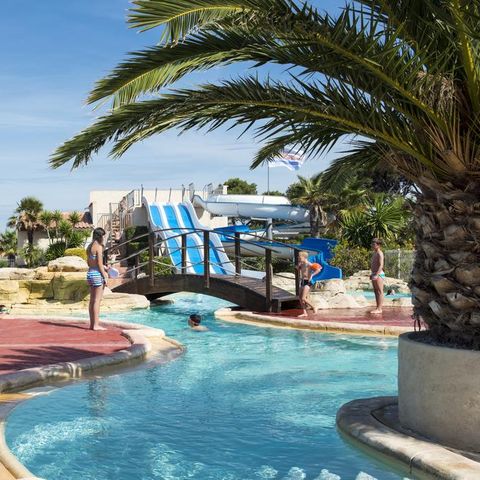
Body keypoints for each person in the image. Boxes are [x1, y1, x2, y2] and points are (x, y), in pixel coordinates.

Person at [86, 227, 109, 330]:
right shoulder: (99, 247)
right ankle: (96, 325)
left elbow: (90, 263)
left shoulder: (90, 247)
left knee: (92, 300)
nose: (104, 238)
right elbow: (99, 263)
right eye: (103, 236)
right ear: (100, 236)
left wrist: (102, 267)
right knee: (97, 301)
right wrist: (105, 275)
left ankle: (92, 324)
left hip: (90, 273)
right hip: (97, 275)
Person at [296, 251, 322, 318]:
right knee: (300, 298)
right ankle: (304, 313)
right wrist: (298, 266)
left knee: (303, 298)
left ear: (304, 257)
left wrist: (312, 275)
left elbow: (319, 269)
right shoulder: (301, 264)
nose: (298, 258)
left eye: (300, 257)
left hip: (308, 282)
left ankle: (314, 307)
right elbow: (298, 269)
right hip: (302, 281)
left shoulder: (309, 264)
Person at [370, 238, 385, 314]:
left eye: (374, 244)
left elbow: (381, 265)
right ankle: (377, 307)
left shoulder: (380, 253)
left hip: (378, 274)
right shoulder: (374, 253)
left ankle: (380, 309)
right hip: (374, 273)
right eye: (372, 244)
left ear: (378, 245)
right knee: (375, 291)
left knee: (380, 291)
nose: (372, 245)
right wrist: (372, 274)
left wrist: (377, 274)